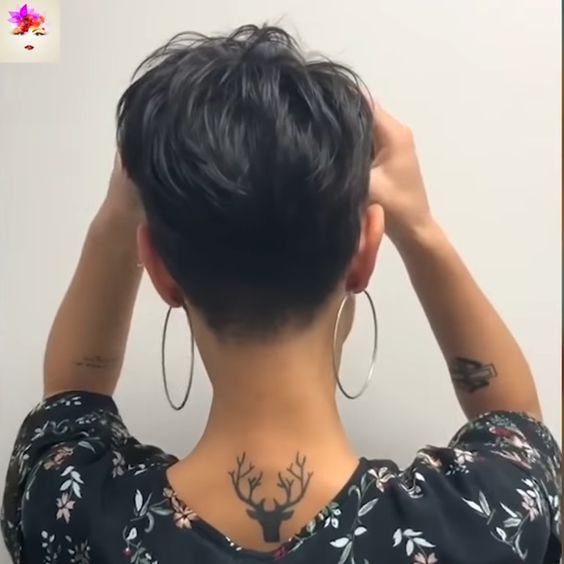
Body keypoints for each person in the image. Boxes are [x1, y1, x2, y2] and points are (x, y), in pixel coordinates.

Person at [1, 24, 560, 564]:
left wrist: (117, 218)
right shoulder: (486, 518)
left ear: (159, 268)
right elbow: (514, 420)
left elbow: (70, 401)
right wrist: (420, 229)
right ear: (365, 253)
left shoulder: (68, 511)